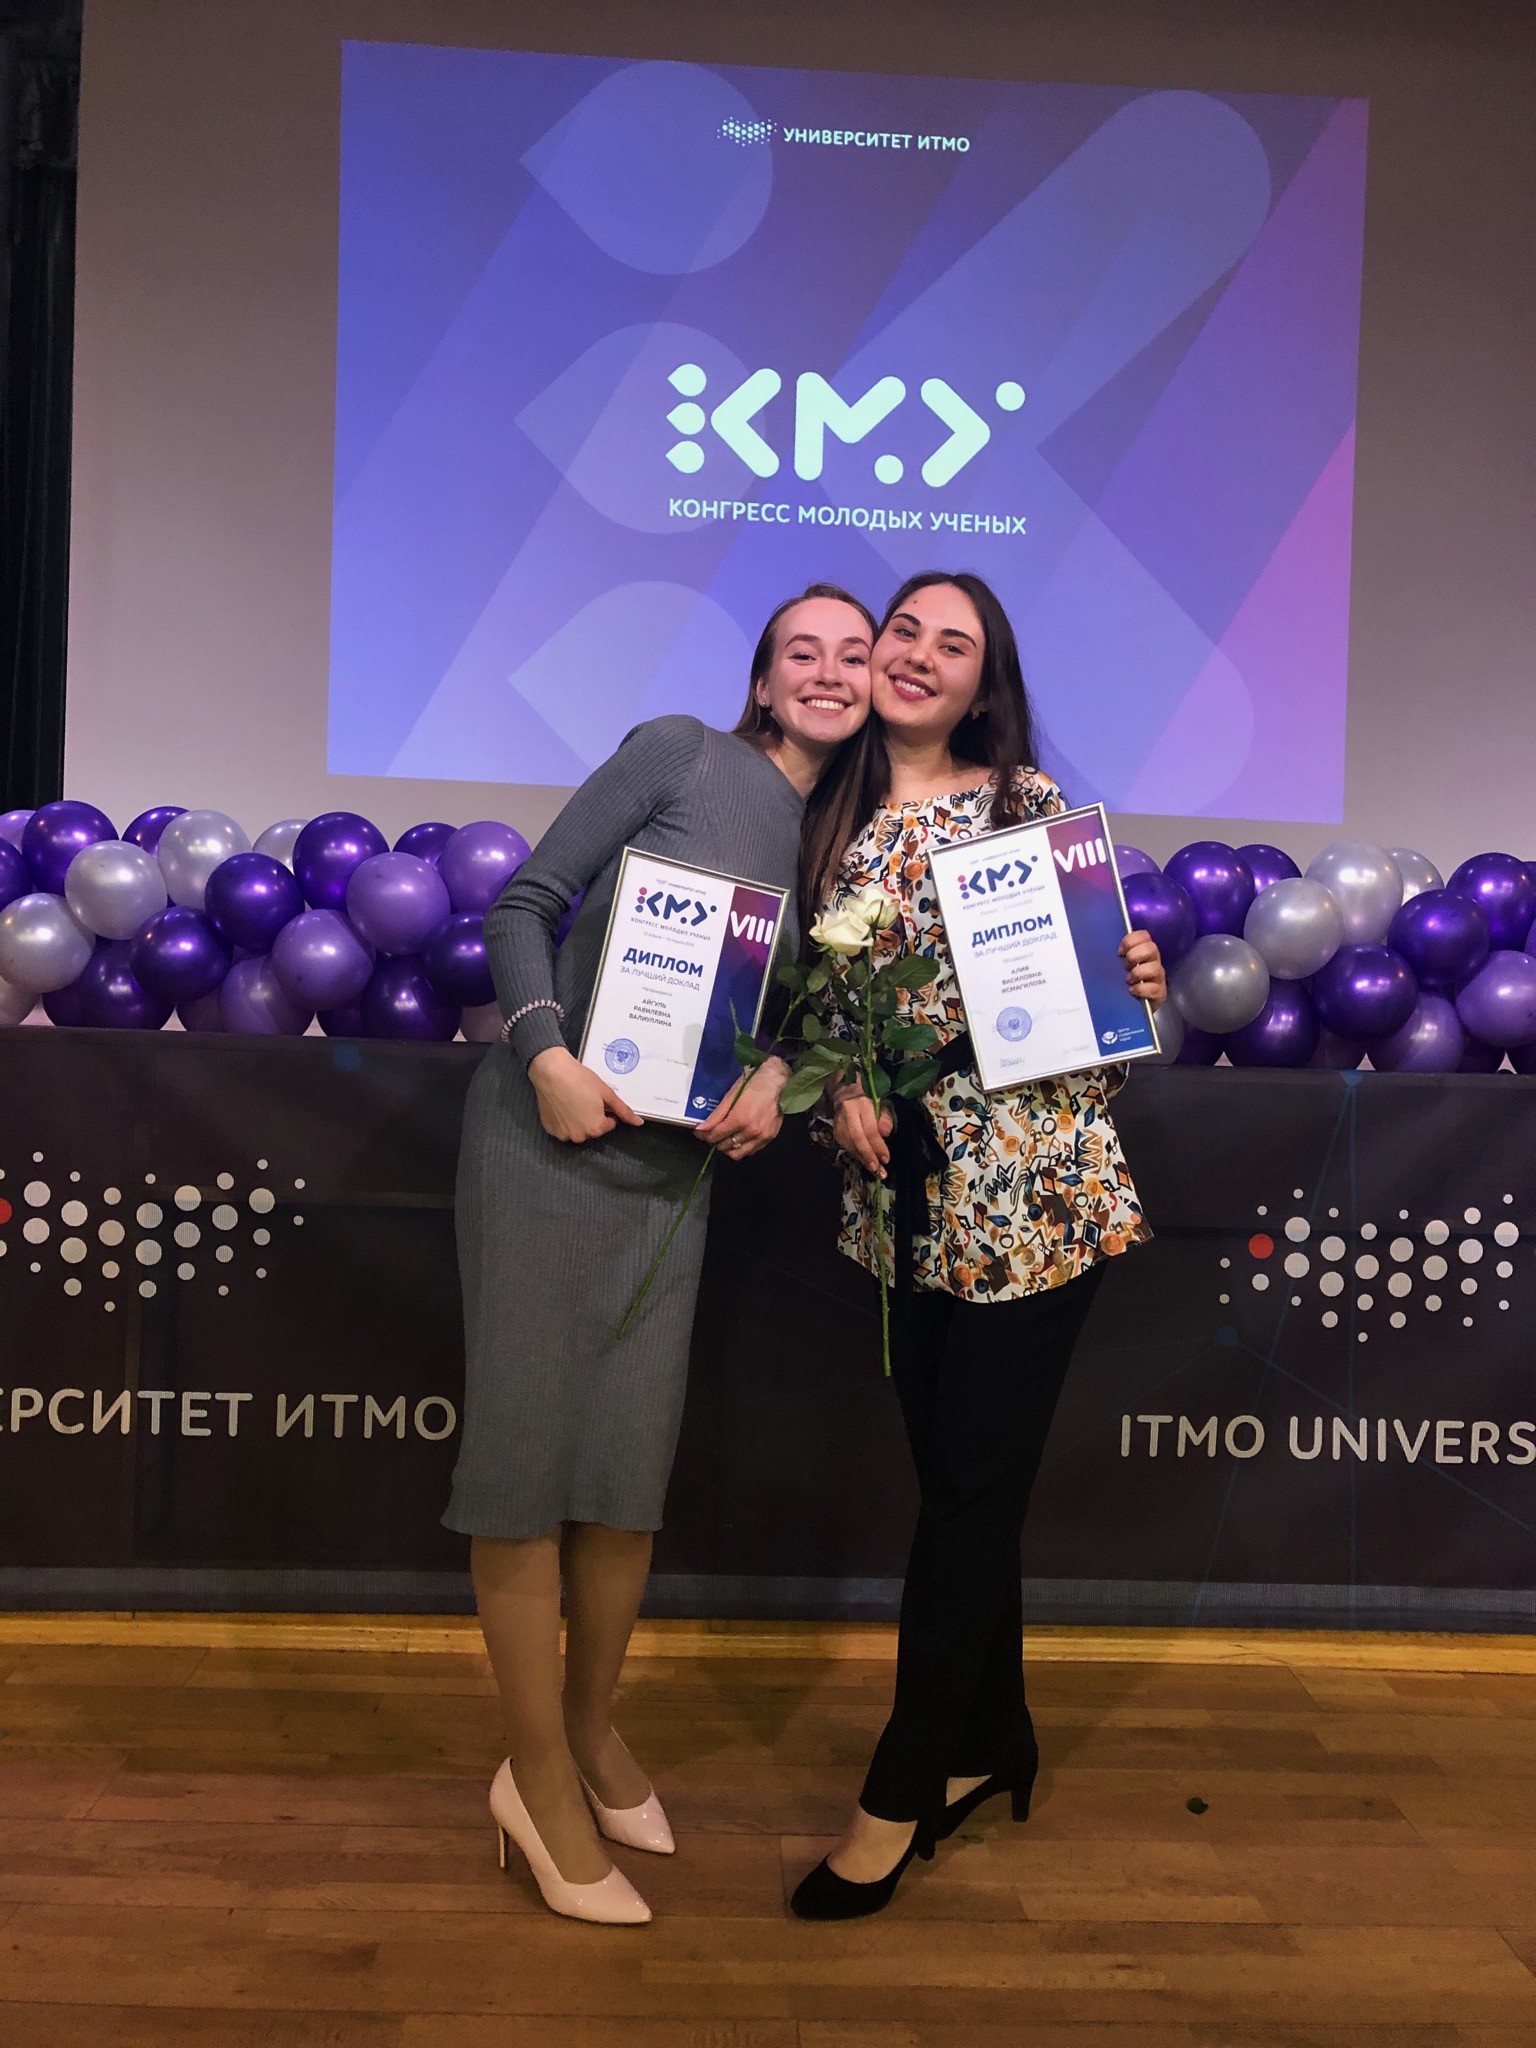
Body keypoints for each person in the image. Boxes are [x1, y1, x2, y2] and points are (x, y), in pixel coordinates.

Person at [444, 585, 875, 1926]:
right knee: (525, 1468)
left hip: (669, 1174)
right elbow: (523, 905)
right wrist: (545, 1054)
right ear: (763, 679)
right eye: (802, 650)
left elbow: (811, 1018)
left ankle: (587, 1729)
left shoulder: (846, 843)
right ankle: (533, 1778)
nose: (828, 671)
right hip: (546, 1139)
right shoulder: (681, 754)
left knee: (624, 1479)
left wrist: (783, 1078)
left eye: (854, 655)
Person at [790, 572, 1166, 1920]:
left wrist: (1131, 990)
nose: (919, 656)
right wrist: (834, 1095)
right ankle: (994, 1737)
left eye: (954, 644)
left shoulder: (1025, 807)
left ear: (981, 680)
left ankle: (898, 1792)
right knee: (965, 1485)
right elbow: (799, 1011)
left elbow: (1091, 1029)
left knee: (964, 1500)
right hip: (904, 1208)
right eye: (905, 631)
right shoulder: (818, 820)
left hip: (1034, 1194)